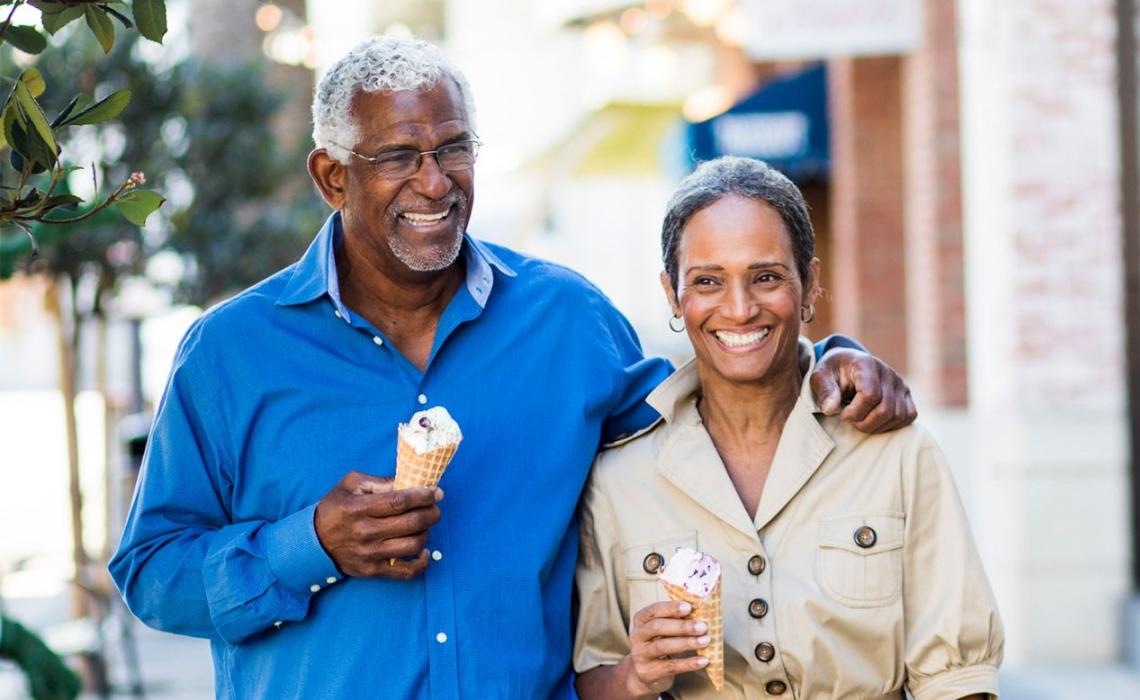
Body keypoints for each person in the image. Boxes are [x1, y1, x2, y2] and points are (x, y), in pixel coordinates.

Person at [107, 38, 915, 698]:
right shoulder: (231, 354)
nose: (435, 182)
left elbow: (706, 420)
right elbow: (151, 574)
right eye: (399, 156)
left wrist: (826, 358)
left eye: (453, 148)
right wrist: (306, 543)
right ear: (332, 176)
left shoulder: (565, 321)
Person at [572, 157, 1002, 699]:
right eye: (707, 281)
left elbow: (958, 682)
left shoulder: (895, 453)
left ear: (810, 284)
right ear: (672, 294)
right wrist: (637, 675)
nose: (739, 307)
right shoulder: (620, 480)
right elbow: (594, 677)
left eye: (766, 277)